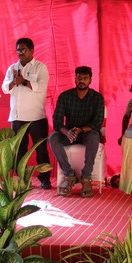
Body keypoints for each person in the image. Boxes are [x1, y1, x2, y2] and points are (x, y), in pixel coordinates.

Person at [1, 38, 51, 189]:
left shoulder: (40, 68)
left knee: (41, 149)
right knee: (19, 150)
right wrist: (14, 81)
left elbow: (41, 87)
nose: (20, 53)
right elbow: (4, 88)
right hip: (17, 117)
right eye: (18, 50)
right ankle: (22, 179)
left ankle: (45, 179)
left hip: (37, 117)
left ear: (31, 50)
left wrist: (23, 81)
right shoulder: (12, 68)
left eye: (23, 50)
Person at [49, 66, 104, 198]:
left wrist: (81, 130)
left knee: (94, 137)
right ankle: (69, 174)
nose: (82, 81)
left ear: (90, 80)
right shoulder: (65, 96)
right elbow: (57, 121)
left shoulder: (97, 98)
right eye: (79, 78)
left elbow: (97, 122)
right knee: (53, 138)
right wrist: (66, 132)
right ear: (75, 79)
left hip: (86, 132)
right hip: (69, 133)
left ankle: (86, 177)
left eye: (85, 78)